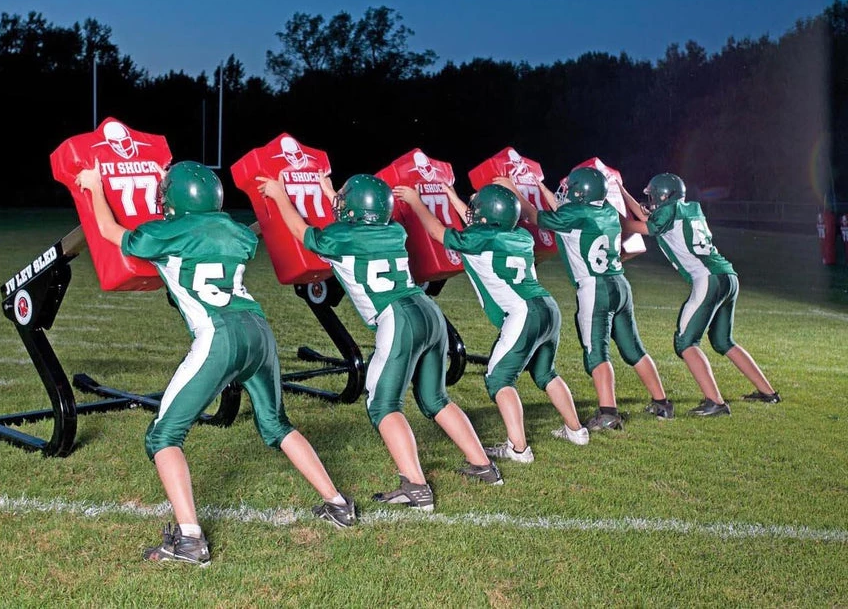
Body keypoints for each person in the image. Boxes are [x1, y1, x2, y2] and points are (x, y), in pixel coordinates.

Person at [75, 159, 354, 567]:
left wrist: (95, 186)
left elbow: (107, 231)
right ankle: (337, 503)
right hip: (258, 331)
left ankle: (189, 540)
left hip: (219, 336)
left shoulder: (166, 231)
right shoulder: (238, 232)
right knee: (277, 424)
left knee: (162, 436)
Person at [257, 171, 503, 513]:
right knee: (435, 398)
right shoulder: (393, 230)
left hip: (398, 318)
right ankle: (484, 466)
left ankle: (416, 487)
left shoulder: (341, 236)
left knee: (383, 405)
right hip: (428, 313)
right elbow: (359, 227)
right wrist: (333, 194)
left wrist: (278, 194)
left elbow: (301, 232)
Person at [393, 182, 589, 463]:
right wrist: (451, 195)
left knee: (499, 379)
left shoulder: (479, 238)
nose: (471, 213)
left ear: (486, 217)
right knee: (546, 373)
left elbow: (438, 232)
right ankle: (576, 431)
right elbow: (479, 226)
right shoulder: (520, 235)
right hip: (547, 307)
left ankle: (518, 449)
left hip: (522, 314)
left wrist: (415, 201)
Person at [499, 167, 673, 431]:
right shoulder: (608, 212)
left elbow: (536, 216)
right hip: (620, 284)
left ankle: (608, 413)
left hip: (595, 288)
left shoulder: (574, 214)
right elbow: (566, 213)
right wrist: (543, 188)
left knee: (596, 352)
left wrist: (513, 190)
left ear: (580, 192)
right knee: (633, 348)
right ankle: (662, 403)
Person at [619, 173, 780, 414]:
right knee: (723, 341)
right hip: (728, 276)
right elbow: (647, 217)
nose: (650, 201)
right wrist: (621, 191)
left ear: (664, 196)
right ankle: (769, 393)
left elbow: (636, 225)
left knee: (685, 342)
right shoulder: (687, 209)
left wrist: (609, 218)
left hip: (708, 279)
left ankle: (715, 402)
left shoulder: (668, 213)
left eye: (653, 197)